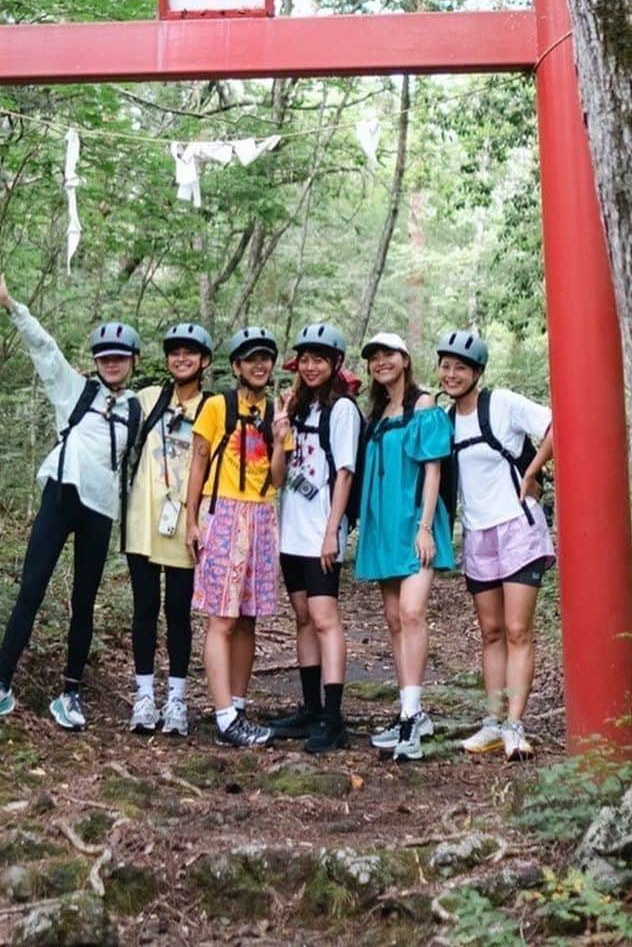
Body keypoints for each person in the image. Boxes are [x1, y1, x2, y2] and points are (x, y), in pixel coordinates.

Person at [0, 278, 142, 731]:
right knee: (31, 588)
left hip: (100, 510)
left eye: (120, 357)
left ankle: (71, 693)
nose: (113, 364)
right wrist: (11, 305)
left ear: (133, 362)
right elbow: (44, 348)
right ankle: (0, 685)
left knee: (84, 601)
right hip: (61, 495)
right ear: (97, 362)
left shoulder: (139, 409)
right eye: (105, 358)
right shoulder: (75, 390)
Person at [436, 330, 554, 760]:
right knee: (491, 632)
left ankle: (515, 726)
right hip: (479, 533)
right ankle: (492, 721)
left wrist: (533, 471)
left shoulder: (501, 403)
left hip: (518, 527)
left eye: (460, 368)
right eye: (445, 366)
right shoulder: (445, 420)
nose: (451, 374)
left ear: (478, 373)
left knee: (519, 630)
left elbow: (555, 425)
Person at [184, 325, 289, 748]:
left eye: (265, 358)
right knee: (222, 618)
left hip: (263, 515)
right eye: (251, 359)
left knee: (248, 617)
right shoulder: (215, 406)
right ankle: (225, 715)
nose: (259, 365)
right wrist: (191, 521)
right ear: (236, 366)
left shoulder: (276, 413)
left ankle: (239, 707)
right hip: (222, 511)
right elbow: (197, 463)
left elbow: (279, 477)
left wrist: (281, 439)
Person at [353, 331, 453, 762]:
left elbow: (433, 469)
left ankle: (414, 714)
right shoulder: (375, 413)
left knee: (412, 613)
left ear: (406, 359)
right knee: (394, 619)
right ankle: (408, 709)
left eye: (388, 354)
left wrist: (426, 526)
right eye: (374, 357)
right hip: (383, 526)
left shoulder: (423, 404)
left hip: (415, 523)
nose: (381, 362)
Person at [269, 323, 361, 754]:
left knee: (325, 619)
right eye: (304, 359)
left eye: (319, 359)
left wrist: (331, 532)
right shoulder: (298, 409)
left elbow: (345, 473)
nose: (310, 367)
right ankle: (309, 708)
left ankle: (333, 715)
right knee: (303, 616)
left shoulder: (342, 411)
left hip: (322, 531)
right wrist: (279, 434)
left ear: (335, 364)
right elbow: (279, 477)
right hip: (292, 531)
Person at [123, 322, 214, 739]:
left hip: (186, 523)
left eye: (190, 353)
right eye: (175, 352)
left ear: (205, 361)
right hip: (144, 520)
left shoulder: (213, 407)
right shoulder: (149, 399)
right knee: (145, 608)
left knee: (178, 611)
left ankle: (176, 698)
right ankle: (144, 694)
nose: (182, 358)